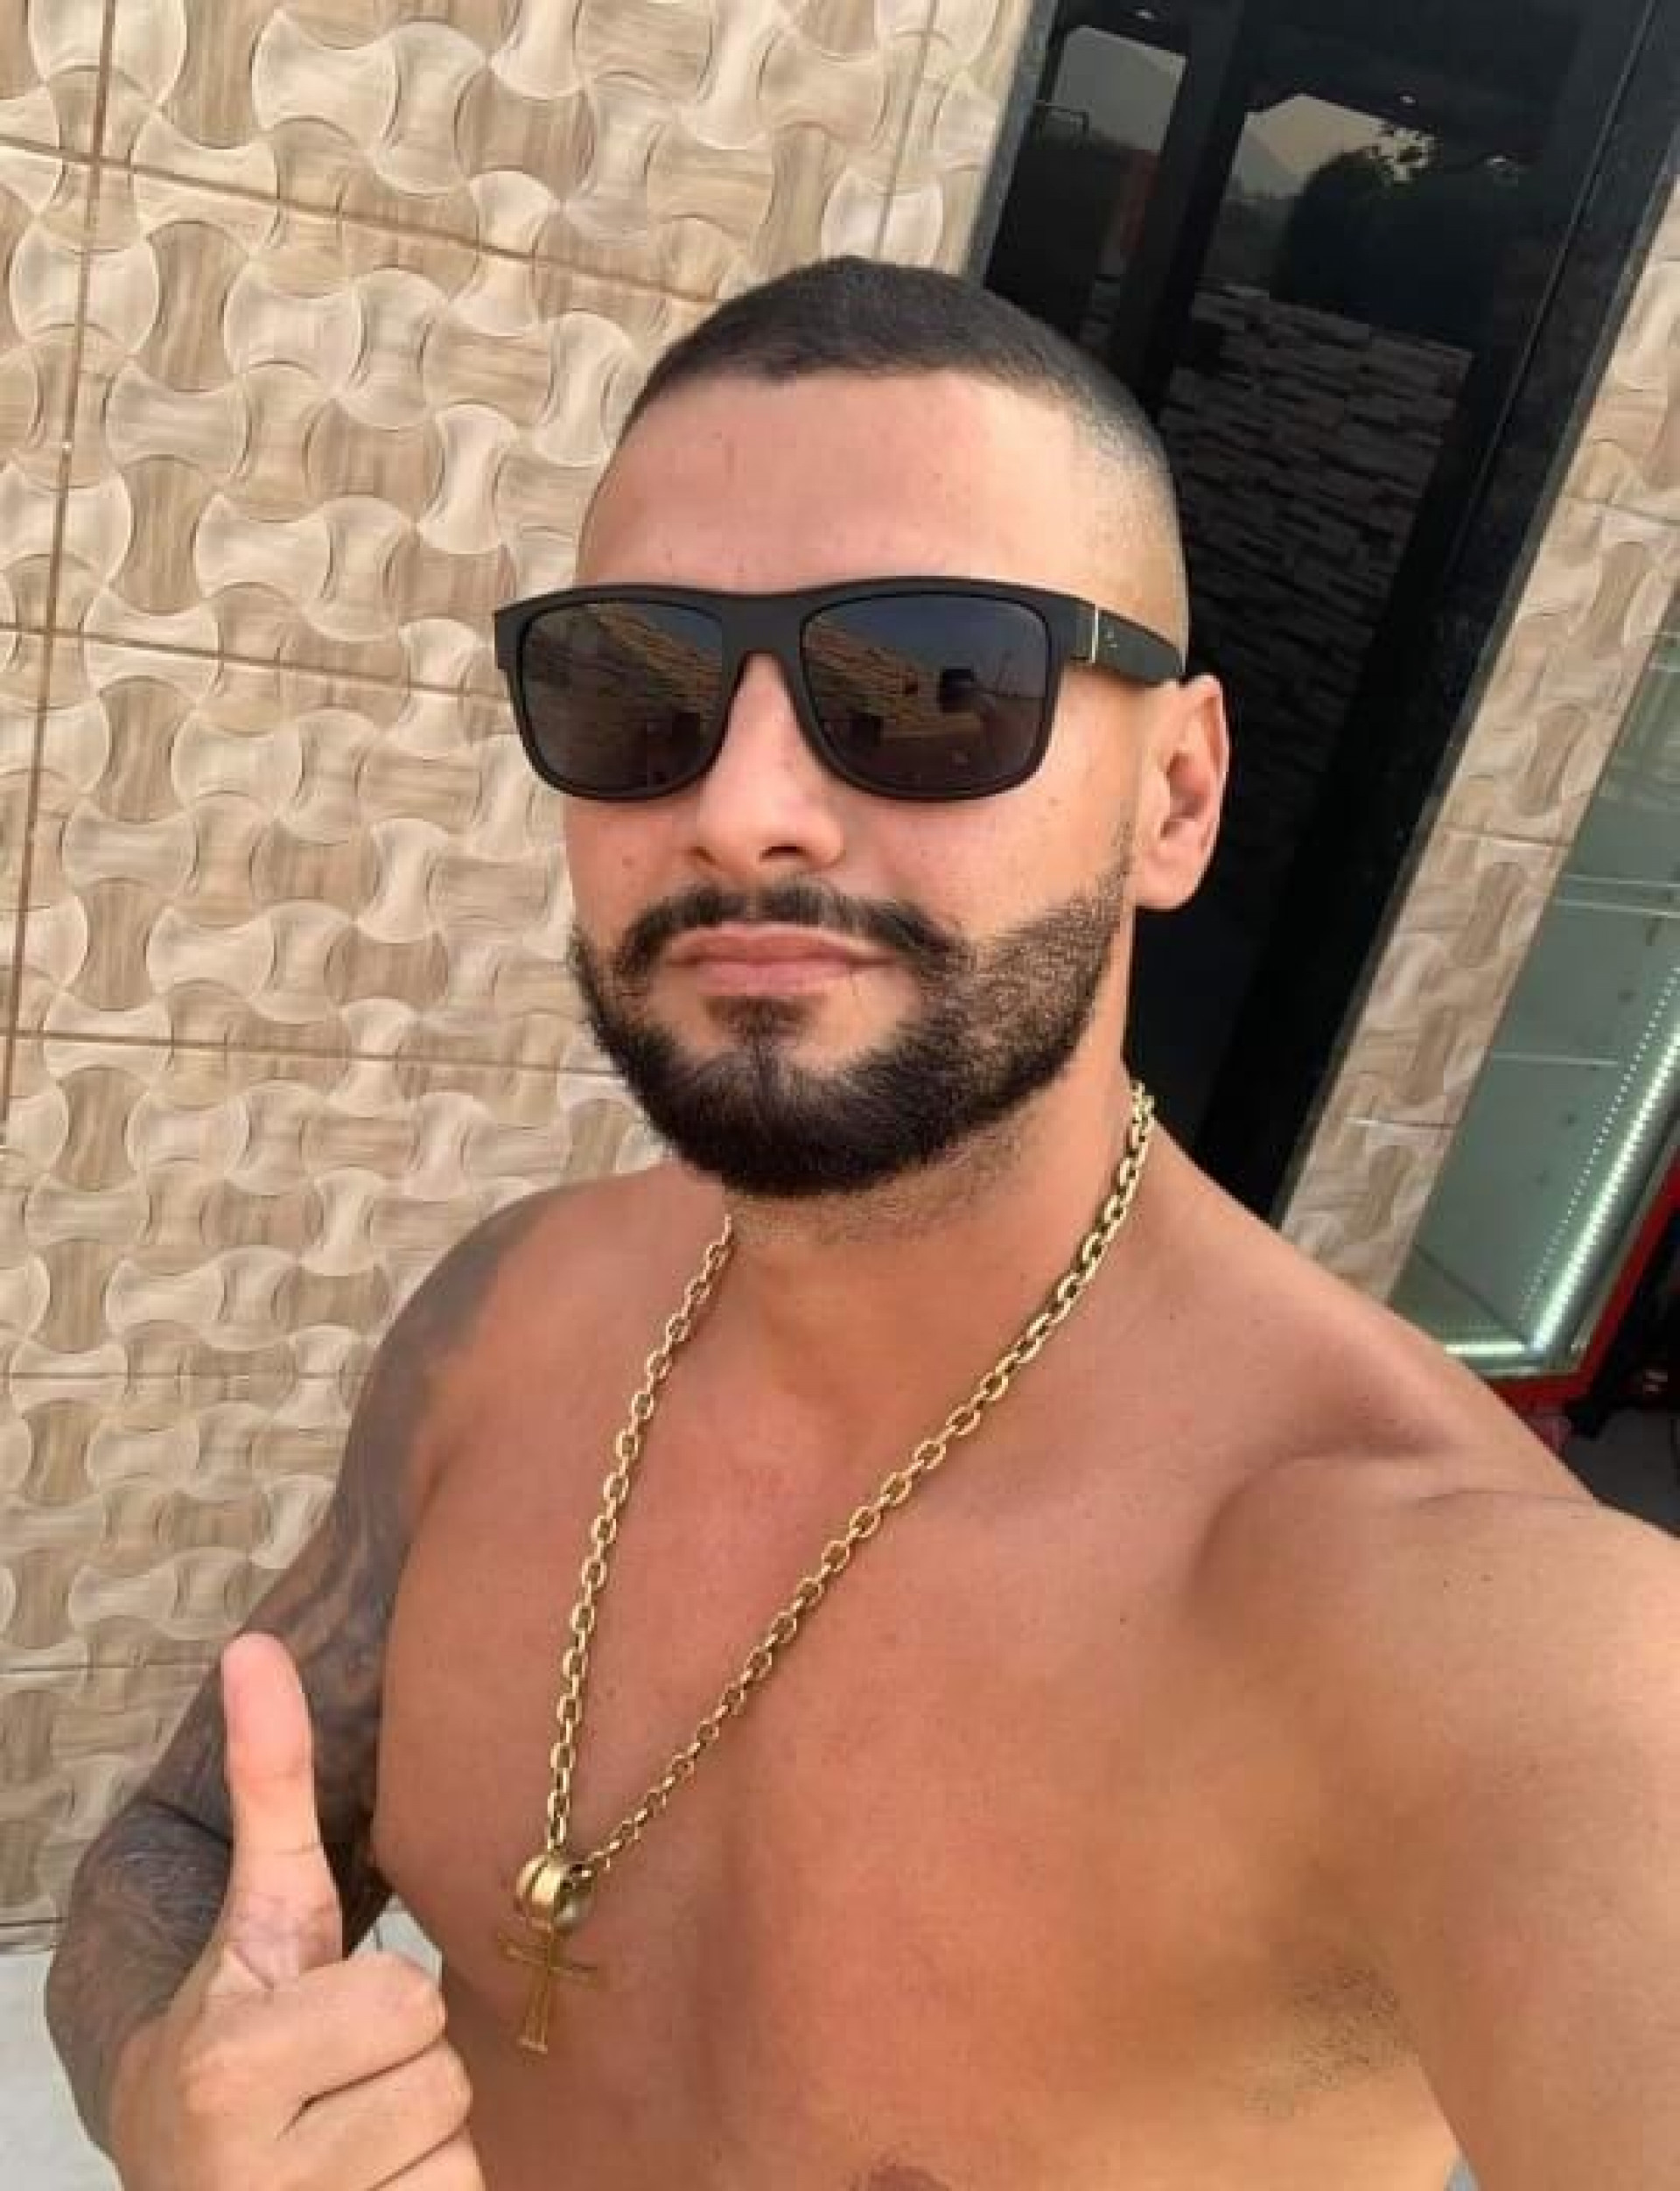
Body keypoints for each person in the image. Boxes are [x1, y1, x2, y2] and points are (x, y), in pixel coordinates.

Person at [45, 257, 1680, 2191]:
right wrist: (170, 2092)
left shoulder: (1468, 1628)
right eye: (637, 682)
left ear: (1176, 795)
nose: (745, 810)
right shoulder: (506, 1318)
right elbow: (184, 1845)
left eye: (933, 684)